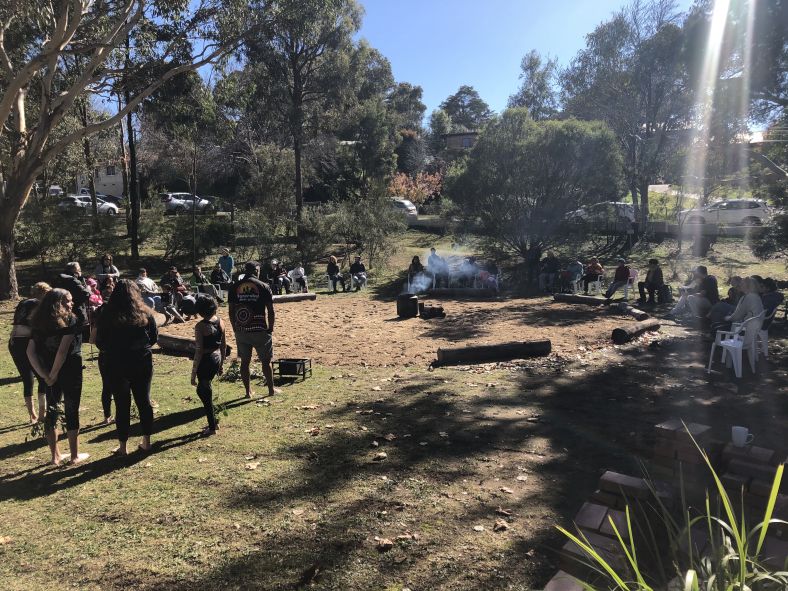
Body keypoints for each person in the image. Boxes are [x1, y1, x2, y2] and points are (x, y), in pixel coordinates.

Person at [95, 280, 158, 455]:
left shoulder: (106, 313)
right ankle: (146, 441)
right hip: (141, 360)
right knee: (144, 401)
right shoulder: (145, 312)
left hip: (116, 363)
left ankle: (123, 446)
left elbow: (100, 341)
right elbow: (153, 338)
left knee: (121, 403)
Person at [27, 289, 89, 465]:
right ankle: (74, 456)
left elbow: (29, 352)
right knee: (71, 409)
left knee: (52, 410)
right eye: (68, 301)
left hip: (47, 373)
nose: (72, 304)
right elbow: (62, 351)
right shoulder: (71, 320)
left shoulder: (38, 322)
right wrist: (52, 374)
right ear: (58, 303)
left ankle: (55, 456)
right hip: (70, 370)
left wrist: (44, 375)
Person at [228, 261, 278, 398]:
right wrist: (271, 328)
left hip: (242, 330)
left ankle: (248, 392)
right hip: (260, 328)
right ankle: (271, 390)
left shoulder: (234, 287)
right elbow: (271, 311)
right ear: (257, 270)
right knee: (266, 361)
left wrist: (235, 328)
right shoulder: (264, 286)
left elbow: (231, 311)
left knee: (245, 362)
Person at [9, 282, 51, 423]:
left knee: (27, 379)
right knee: (42, 378)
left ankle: (32, 415)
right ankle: (41, 415)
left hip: (14, 342)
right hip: (27, 342)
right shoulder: (38, 304)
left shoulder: (23, 303)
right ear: (44, 293)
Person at [191, 294, 226, 436]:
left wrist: (193, 374)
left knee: (203, 392)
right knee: (207, 390)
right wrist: (222, 363)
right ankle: (213, 422)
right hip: (216, 358)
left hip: (206, 361)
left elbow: (199, 351)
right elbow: (223, 346)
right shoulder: (221, 322)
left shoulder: (200, 327)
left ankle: (212, 427)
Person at [54, 261, 92, 326]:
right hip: (77, 311)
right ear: (73, 269)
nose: (80, 271)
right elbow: (86, 294)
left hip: (60, 311)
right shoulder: (73, 280)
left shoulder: (58, 279)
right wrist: (88, 289)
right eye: (79, 269)